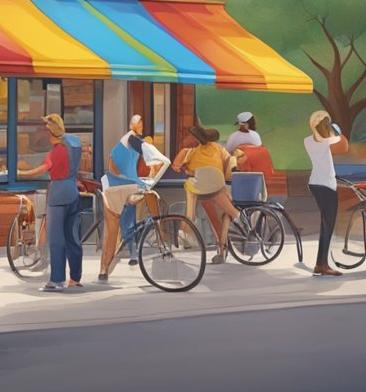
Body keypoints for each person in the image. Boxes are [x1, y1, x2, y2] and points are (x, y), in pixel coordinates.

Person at [97, 117, 170, 283]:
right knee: (112, 231)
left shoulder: (133, 148)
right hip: (113, 187)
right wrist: (157, 157)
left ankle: (158, 240)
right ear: (131, 126)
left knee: (150, 198)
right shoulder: (130, 139)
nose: (141, 126)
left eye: (143, 124)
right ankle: (104, 268)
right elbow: (141, 146)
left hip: (127, 184)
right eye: (138, 124)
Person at [16, 114, 84, 291]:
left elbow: (38, 171)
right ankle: (75, 278)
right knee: (73, 238)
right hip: (72, 192)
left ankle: (57, 280)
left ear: (49, 132)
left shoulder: (55, 153)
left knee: (56, 239)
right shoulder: (73, 148)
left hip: (58, 196)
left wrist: (18, 173)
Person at [174, 125, 240, 262]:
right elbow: (230, 164)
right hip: (218, 185)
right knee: (221, 217)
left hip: (202, 188)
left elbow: (180, 167)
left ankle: (187, 225)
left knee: (214, 219)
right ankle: (222, 248)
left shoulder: (191, 152)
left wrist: (187, 168)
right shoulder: (218, 148)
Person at [305, 110, 349, 277]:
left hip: (314, 183)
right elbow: (344, 145)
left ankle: (320, 264)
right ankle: (322, 265)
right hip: (327, 185)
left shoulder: (307, 141)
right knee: (328, 225)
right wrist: (335, 129)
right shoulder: (328, 141)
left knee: (325, 223)